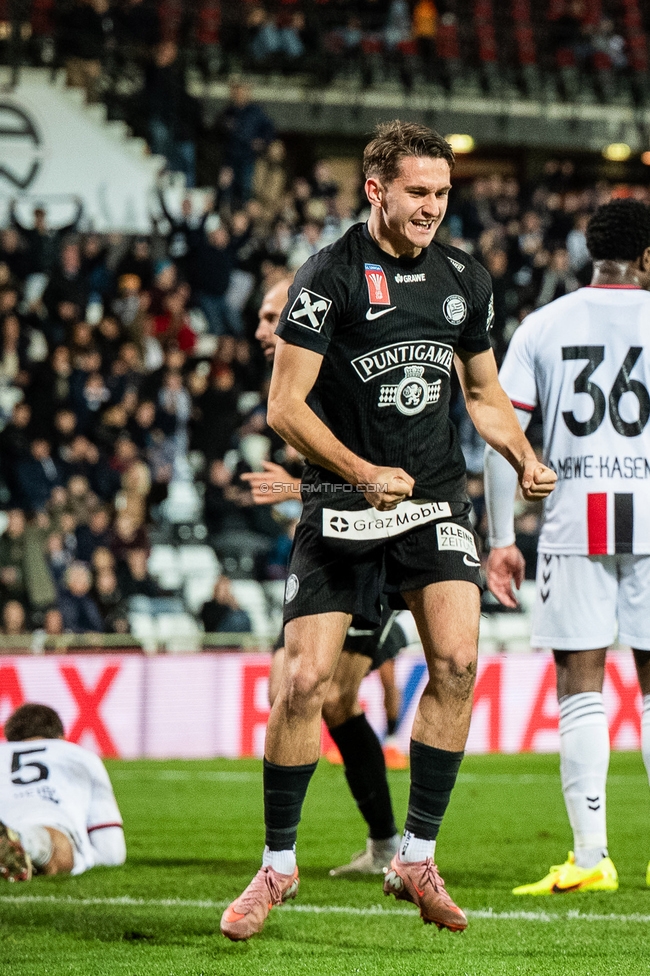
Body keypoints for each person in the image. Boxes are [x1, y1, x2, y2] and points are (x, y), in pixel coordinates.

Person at [220, 120, 556, 941]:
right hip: (343, 503)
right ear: (376, 190)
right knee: (303, 683)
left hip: (435, 499)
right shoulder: (325, 277)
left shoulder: (462, 279)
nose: (432, 207)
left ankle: (415, 855)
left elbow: (481, 393)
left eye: (442, 193)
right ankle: (277, 867)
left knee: (458, 659)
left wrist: (518, 450)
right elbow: (284, 406)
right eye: (418, 192)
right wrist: (362, 473)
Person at [484, 198, 650, 895]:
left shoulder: (543, 326)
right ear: (647, 258)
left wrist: (500, 539)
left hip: (575, 518)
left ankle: (589, 857)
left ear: (589, 254)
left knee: (580, 685)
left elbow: (500, 435)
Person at [244, 278, 407, 875]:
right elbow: (332, 481)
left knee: (330, 695)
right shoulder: (300, 374)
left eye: (271, 316)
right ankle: (374, 843)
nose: (263, 330)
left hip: (373, 552)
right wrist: (292, 489)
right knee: (297, 695)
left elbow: (372, 472)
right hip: (329, 549)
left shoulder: (341, 364)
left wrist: (288, 488)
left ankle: (389, 846)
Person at [0, 703, 125, 881]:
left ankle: (13, 840)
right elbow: (112, 854)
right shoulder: (81, 756)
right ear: (61, 737)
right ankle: (26, 843)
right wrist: (83, 858)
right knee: (58, 843)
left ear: (9, 740)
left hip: (4, 818)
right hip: (51, 824)